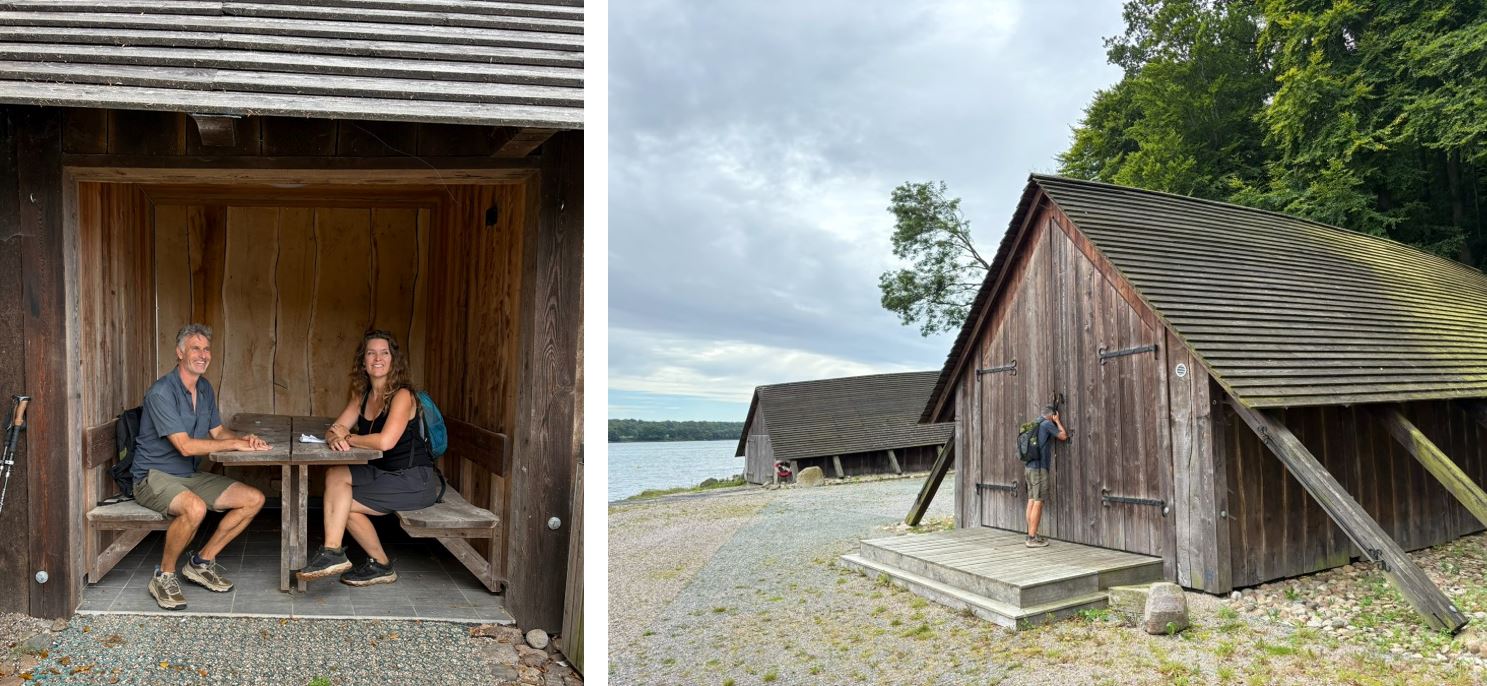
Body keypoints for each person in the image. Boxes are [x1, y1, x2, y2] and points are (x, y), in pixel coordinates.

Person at [132, 323, 269, 610]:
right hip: (153, 477)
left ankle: (201, 562)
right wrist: (232, 446)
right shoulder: (161, 392)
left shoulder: (203, 388)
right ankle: (164, 576)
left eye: (206, 349)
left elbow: (218, 433)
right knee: (195, 508)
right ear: (180, 352)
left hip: (187, 475)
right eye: (196, 348)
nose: (203, 354)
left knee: (253, 499)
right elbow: (185, 446)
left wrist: (245, 439)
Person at [297, 330, 440, 586]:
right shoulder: (362, 396)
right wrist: (334, 437)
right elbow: (334, 428)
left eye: (384, 353)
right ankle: (333, 552)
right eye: (371, 353)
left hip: (414, 480)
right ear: (363, 361)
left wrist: (348, 438)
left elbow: (386, 442)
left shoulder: (403, 396)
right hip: (385, 473)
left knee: (342, 503)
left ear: (393, 360)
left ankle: (379, 564)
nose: (377, 358)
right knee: (335, 476)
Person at [1025, 404, 1068, 548]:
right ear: (1051, 415)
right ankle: (1032, 538)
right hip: (1039, 469)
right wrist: (1058, 422)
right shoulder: (1046, 424)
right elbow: (1063, 436)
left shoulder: (1033, 424)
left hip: (1029, 468)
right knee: (1039, 501)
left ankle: (1031, 534)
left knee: (1031, 499)